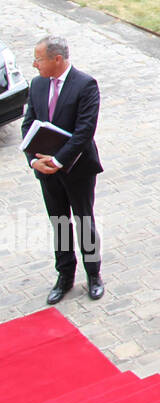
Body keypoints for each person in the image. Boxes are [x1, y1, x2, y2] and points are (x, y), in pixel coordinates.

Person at [22, 36, 104, 305]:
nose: (35, 64)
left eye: (39, 59)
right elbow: (28, 126)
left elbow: (84, 132)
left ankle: (93, 274)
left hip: (77, 168)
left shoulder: (85, 85)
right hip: (46, 171)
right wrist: (34, 161)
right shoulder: (36, 84)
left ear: (57, 59)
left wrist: (58, 160)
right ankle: (64, 276)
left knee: (84, 221)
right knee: (59, 223)